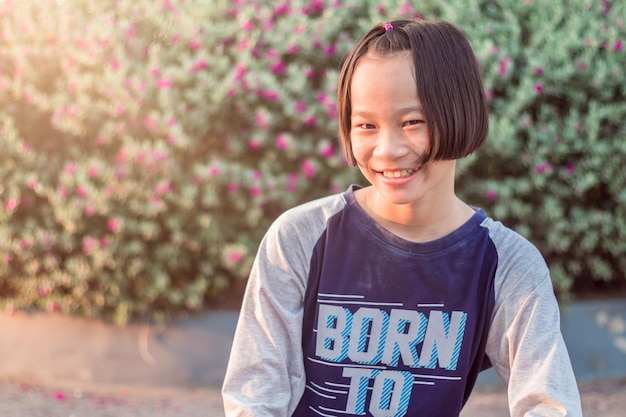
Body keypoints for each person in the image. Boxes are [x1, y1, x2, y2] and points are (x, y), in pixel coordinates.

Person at [222, 19, 582, 417]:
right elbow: (255, 397)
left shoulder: (507, 265)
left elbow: (550, 404)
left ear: (459, 113)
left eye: (413, 122)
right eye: (366, 126)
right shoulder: (301, 238)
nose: (387, 149)